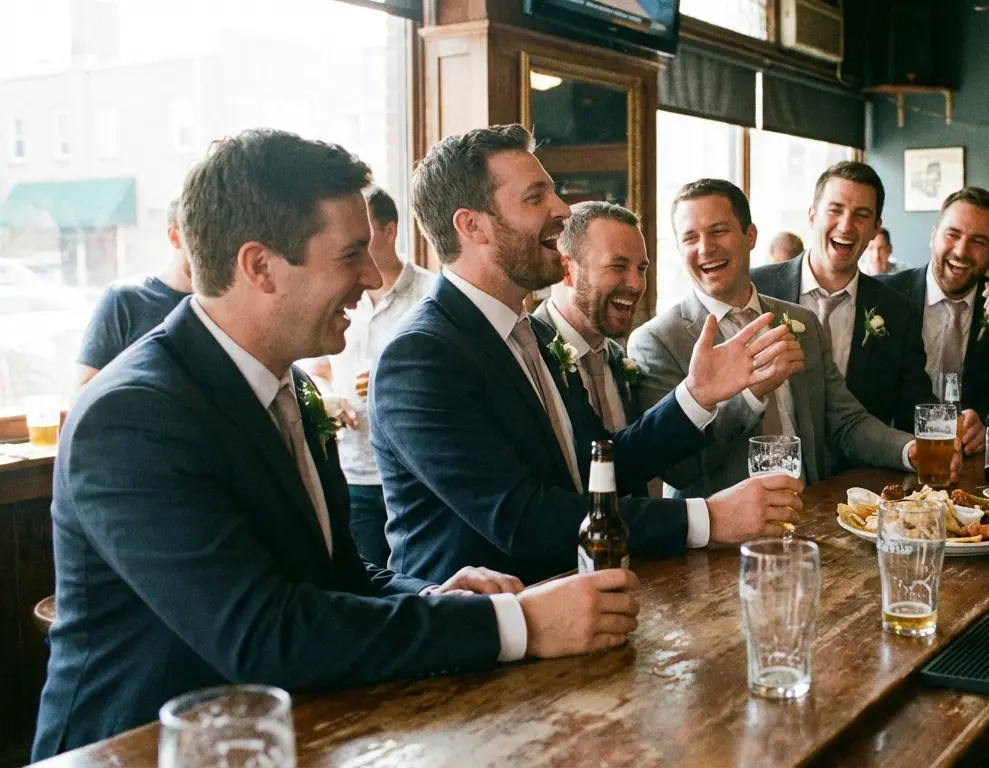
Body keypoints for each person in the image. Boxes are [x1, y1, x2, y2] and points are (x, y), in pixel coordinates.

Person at [34, 130, 644, 761]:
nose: (372, 276)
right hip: (137, 748)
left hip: (287, 732)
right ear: (259, 266)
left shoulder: (292, 387)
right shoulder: (131, 417)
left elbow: (338, 576)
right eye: (352, 255)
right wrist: (521, 624)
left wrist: (427, 595)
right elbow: (265, 634)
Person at [371, 126, 802, 586]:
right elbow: (523, 519)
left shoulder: (532, 334)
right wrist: (709, 518)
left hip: (580, 604)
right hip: (484, 622)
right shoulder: (420, 356)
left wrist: (696, 396)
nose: (561, 209)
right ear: (471, 226)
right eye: (536, 197)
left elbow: (603, 465)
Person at [630, 178, 928, 497]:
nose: (705, 248)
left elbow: (846, 421)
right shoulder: (657, 341)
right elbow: (679, 470)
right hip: (725, 527)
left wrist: (910, 450)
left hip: (810, 511)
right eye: (691, 238)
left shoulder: (801, 321)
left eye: (718, 231)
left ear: (750, 236)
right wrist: (750, 395)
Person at [298, 187, 434, 568]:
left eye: (364, 241)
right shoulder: (339, 297)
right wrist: (329, 397)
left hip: (414, 472)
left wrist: (395, 376)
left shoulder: (429, 294)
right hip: (353, 468)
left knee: (418, 571)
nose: (360, 263)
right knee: (363, 573)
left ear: (390, 231)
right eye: (349, 248)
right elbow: (320, 370)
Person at [750, 161, 932, 433]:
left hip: (861, 460)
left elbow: (915, 409)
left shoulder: (898, 312)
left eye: (861, 215)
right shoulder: (755, 288)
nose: (846, 226)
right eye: (835, 210)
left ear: (875, 228)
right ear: (812, 215)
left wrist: (955, 424)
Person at [877, 187, 989, 442]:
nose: (962, 251)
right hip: (891, 452)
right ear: (933, 236)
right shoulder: (883, 296)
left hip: (969, 458)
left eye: (978, 242)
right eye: (952, 235)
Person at [533, 201, 644, 436]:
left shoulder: (619, 358)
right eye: (618, 266)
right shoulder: (529, 355)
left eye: (641, 269)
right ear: (565, 270)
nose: (636, 284)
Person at [75, 198, 192, 386]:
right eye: (203, 235)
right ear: (175, 237)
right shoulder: (124, 300)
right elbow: (83, 393)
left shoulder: (227, 306)